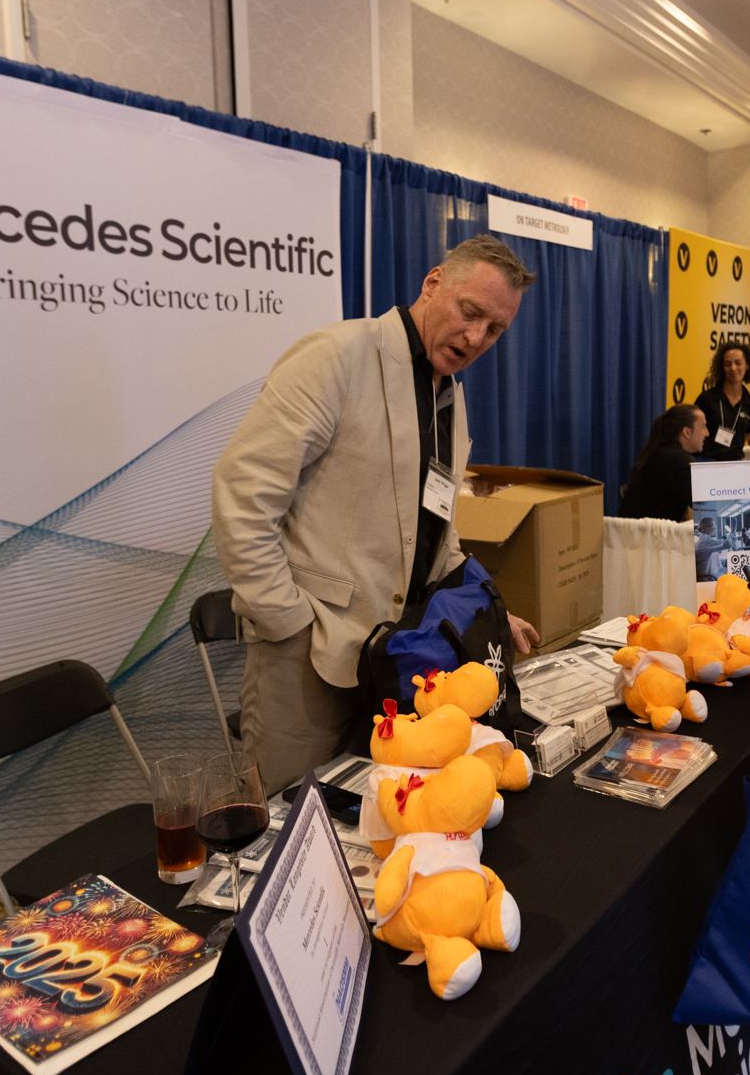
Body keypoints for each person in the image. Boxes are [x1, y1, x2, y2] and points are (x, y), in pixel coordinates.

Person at [211, 234, 542, 792]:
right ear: (433, 284)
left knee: (373, 820)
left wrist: (489, 612)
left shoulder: (450, 398)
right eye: (470, 312)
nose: (476, 337)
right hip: (309, 659)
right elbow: (241, 496)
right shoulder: (336, 356)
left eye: (494, 329)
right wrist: (289, 624)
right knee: (292, 821)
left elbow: (437, 534)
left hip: (396, 663)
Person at [621, 404, 705, 521]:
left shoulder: (662, 453)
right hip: (647, 532)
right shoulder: (679, 460)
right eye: (703, 427)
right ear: (687, 432)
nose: (707, 433)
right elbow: (706, 508)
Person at [694, 343, 750, 461]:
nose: (733, 368)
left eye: (738, 363)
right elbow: (693, 432)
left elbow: (744, 436)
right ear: (722, 368)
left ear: (747, 365)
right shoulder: (707, 398)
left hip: (734, 463)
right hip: (706, 461)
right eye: (728, 364)